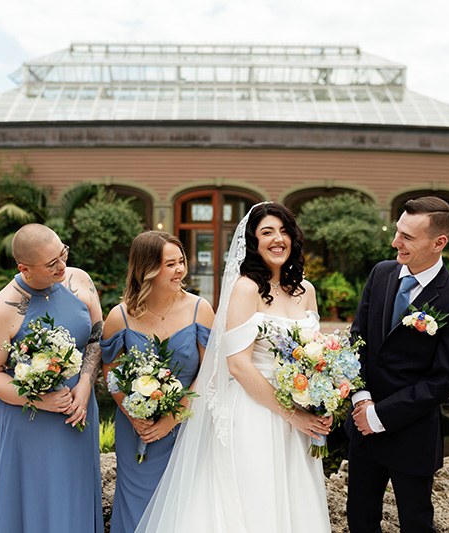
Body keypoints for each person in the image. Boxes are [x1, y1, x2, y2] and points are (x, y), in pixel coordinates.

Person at [137, 202, 333, 532]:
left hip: (299, 420)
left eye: (284, 231)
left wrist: (322, 401)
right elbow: (239, 365)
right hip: (258, 415)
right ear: (253, 242)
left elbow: (318, 355)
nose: (278, 239)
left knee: (296, 504)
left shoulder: (306, 290)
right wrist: (293, 415)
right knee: (258, 507)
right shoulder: (246, 288)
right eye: (267, 232)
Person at [344, 197, 449, 532]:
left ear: (439, 243)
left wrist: (380, 416)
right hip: (363, 431)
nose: (395, 242)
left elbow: (442, 381)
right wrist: (362, 401)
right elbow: (357, 340)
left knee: (416, 523)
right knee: (359, 519)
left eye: (407, 237)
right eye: (397, 231)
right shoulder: (381, 274)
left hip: (411, 437)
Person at [0, 223, 104, 532]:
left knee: (74, 493)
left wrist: (85, 385)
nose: (62, 266)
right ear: (25, 269)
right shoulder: (5, 307)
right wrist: (39, 400)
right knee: (36, 499)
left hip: (78, 410)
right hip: (29, 420)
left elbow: (97, 337)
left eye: (63, 254)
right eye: (51, 263)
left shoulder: (80, 280)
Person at [100, 231, 214, 532]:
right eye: (170, 264)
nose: (180, 270)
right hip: (137, 429)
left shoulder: (199, 310)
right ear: (147, 269)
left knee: (185, 506)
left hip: (188, 425)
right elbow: (110, 372)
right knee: (136, 504)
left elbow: (210, 374)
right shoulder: (119, 316)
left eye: (181, 262)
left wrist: (172, 419)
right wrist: (133, 414)